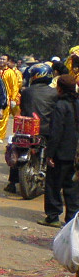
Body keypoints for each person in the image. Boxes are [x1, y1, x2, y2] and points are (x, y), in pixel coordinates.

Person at [5, 63, 57, 193]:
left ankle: (12, 183)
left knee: (16, 149)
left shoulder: (27, 91)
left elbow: (22, 109)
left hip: (27, 128)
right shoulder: (54, 93)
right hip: (46, 130)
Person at [38, 75, 79, 227]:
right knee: (72, 188)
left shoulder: (60, 105)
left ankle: (52, 216)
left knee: (53, 185)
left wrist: (50, 154)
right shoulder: (77, 103)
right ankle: (72, 220)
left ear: (60, 88)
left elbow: (56, 132)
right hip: (75, 154)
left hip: (61, 153)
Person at [0, 54, 22, 143]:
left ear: (7, 61)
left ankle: (0, 136)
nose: (2, 61)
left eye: (4, 59)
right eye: (1, 59)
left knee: (3, 116)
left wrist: (13, 98)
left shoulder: (10, 72)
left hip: (5, 98)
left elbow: (14, 87)